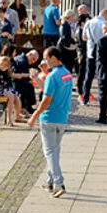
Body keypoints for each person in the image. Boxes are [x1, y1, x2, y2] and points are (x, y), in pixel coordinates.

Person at [29, 47, 72, 197]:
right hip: (62, 117)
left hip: (49, 118)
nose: (44, 61)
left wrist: (35, 115)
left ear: (54, 58)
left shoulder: (52, 77)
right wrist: (44, 74)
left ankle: (59, 182)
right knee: (55, 150)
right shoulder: (66, 74)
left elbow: (46, 99)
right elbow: (53, 88)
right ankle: (49, 181)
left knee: (49, 151)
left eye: (46, 58)